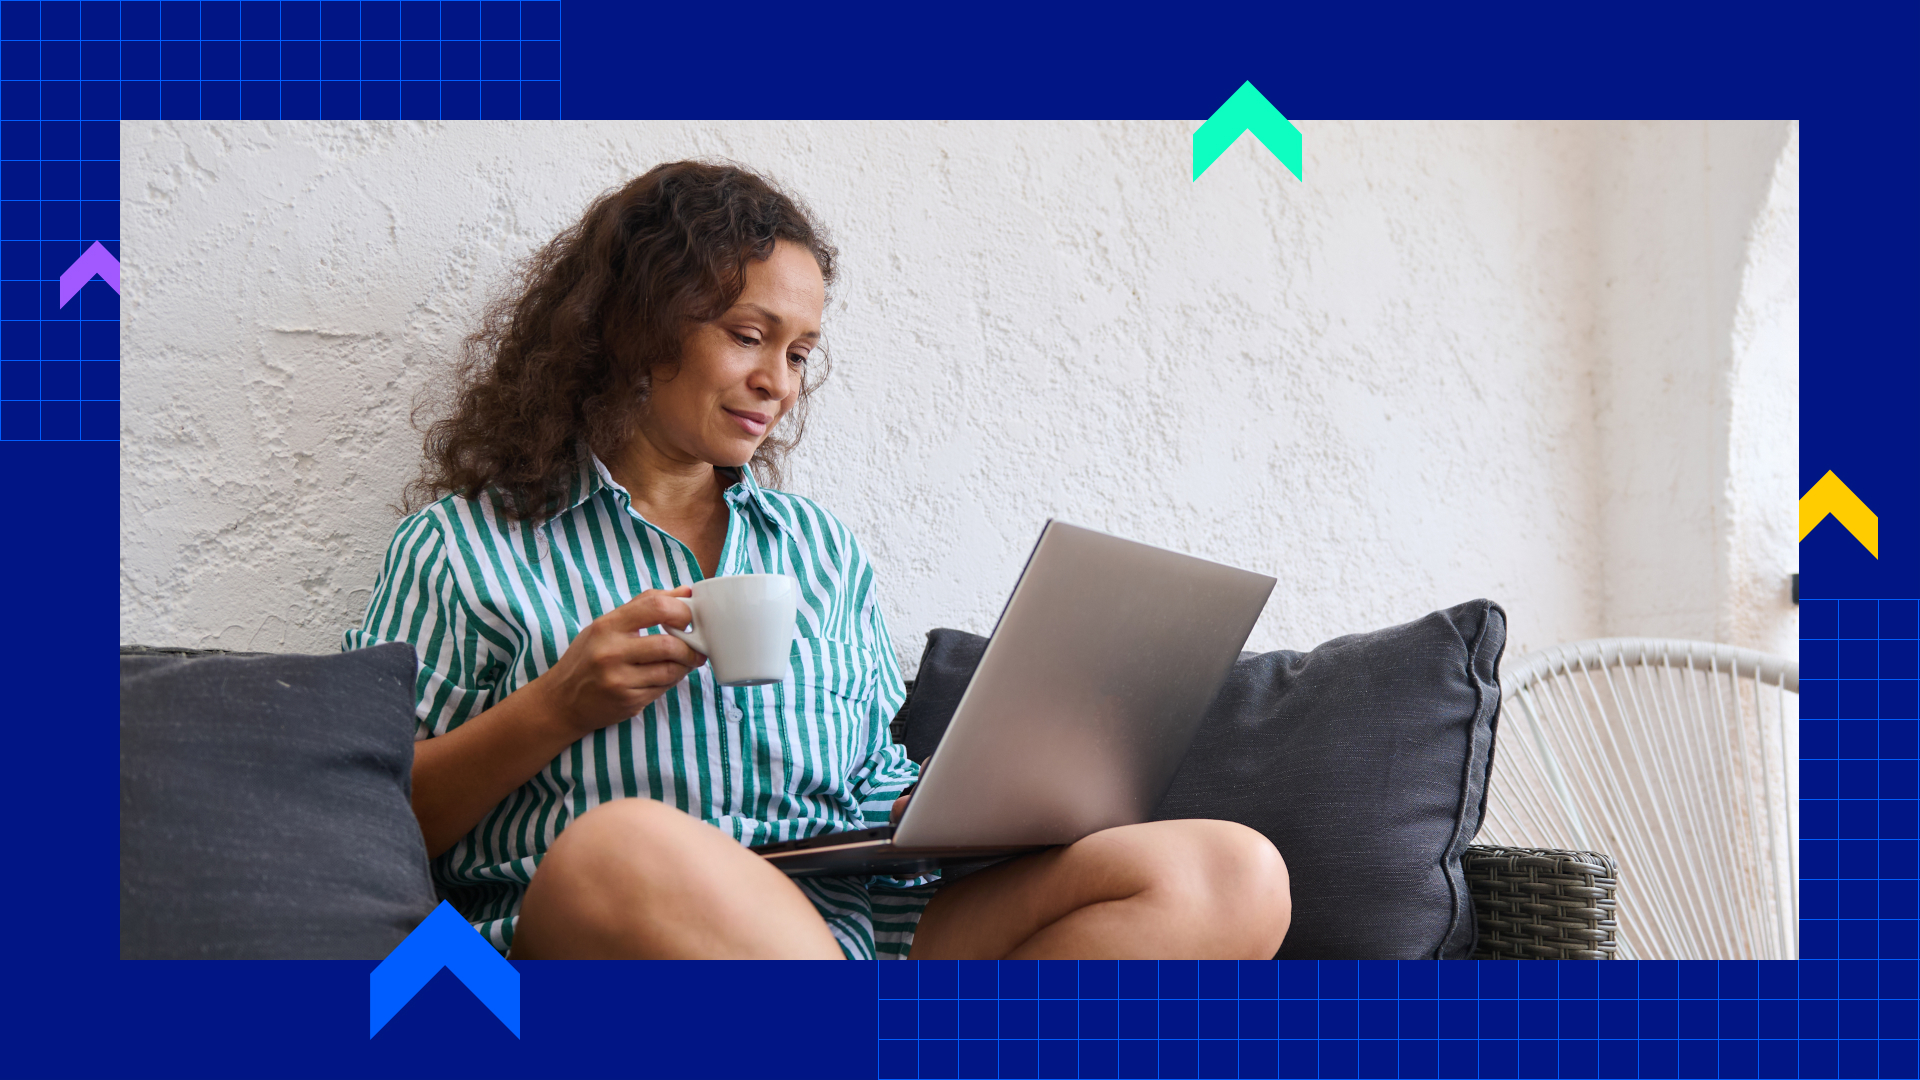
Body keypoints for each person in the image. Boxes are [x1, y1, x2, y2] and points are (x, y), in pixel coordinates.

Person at [346, 160, 1291, 960]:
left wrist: (949, 800)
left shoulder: (820, 549)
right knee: (621, 847)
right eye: (749, 336)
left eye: (800, 353)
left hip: (859, 927)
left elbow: (868, 772)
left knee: (1229, 872)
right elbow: (370, 819)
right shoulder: (468, 548)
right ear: (633, 328)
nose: (778, 383)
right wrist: (556, 707)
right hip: (626, 923)